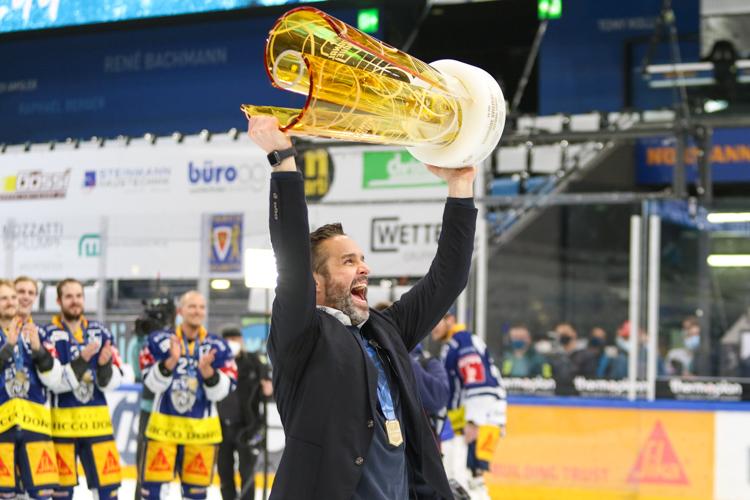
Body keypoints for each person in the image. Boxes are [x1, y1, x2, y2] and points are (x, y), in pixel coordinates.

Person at [247, 115, 476, 500]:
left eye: (363, 259)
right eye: (348, 261)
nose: (365, 268)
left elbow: (448, 278)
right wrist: (282, 160)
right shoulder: (301, 336)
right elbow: (290, 255)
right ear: (314, 282)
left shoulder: (387, 330)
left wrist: (460, 186)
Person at [140, 291, 237, 499]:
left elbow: (224, 390)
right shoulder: (159, 341)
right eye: (192, 306)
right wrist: (170, 362)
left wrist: (209, 373)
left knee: (196, 496)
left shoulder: (218, 346)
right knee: (153, 495)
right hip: (163, 433)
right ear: (180, 311)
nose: (197, 311)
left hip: (200, 436)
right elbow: (150, 383)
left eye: (201, 307)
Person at [41, 278, 124, 499]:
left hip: (98, 427)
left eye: (79, 296)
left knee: (109, 492)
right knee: (61, 494)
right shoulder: (47, 334)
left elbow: (116, 379)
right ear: (59, 301)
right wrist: (82, 360)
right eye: (69, 296)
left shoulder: (101, 332)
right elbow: (52, 382)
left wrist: (104, 367)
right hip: (62, 428)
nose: (75, 301)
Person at [431, 313, 506, 500]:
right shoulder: (454, 343)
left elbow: (480, 383)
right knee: (470, 478)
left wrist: (474, 421)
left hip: (479, 421)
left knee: (467, 478)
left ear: (450, 320)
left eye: (436, 321)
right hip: (473, 420)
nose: (432, 328)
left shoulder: (462, 341)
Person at [0, 280, 62, 499]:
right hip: (2, 429)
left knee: (42, 494)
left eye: (12, 298)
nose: (11, 302)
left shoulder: (38, 334)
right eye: (4, 298)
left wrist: (39, 351)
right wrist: (7, 347)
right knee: (6, 494)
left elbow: (55, 379)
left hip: (35, 427)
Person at [216, 327, 272, 500]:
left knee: (247, 471)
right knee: (224, 471)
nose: (233, 343)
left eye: (236, 339)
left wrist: (268, 388)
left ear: (241, 341)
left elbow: (268, 387)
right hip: (221, 426)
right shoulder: (217, 362)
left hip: (248, 426)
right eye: (229, 340)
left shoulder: (254, 362)